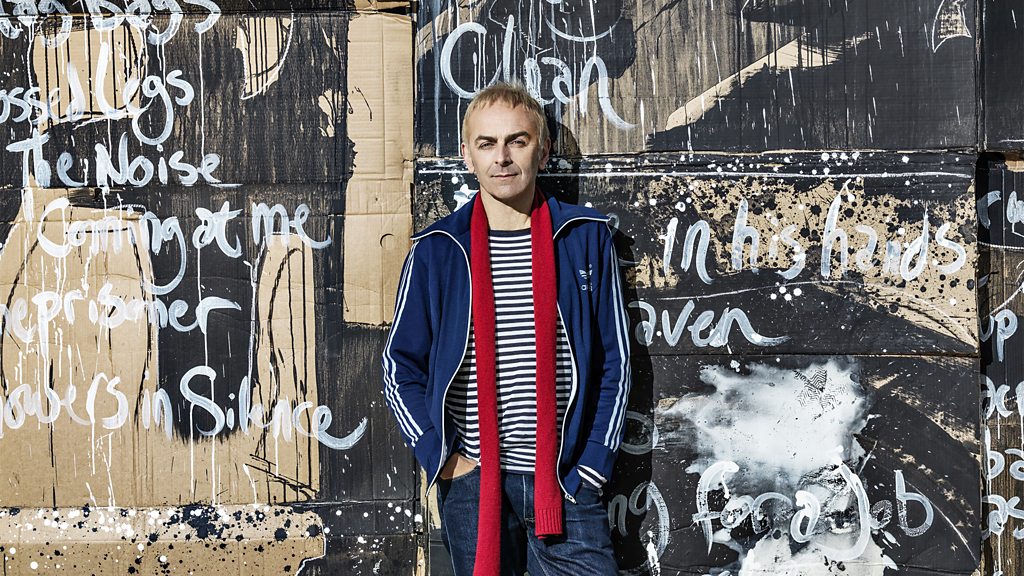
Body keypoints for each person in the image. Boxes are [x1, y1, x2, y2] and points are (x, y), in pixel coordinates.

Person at [382, 82, 631, 575]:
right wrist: (443, 458)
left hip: (564, 479)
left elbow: (615, 362)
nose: (502, 157)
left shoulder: (583, 237)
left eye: (517, 141)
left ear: (543, 150)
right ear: (467, 155)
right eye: (487, 143)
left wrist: (592, 466)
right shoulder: (438, 249)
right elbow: (399, 366)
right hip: (474, 484)